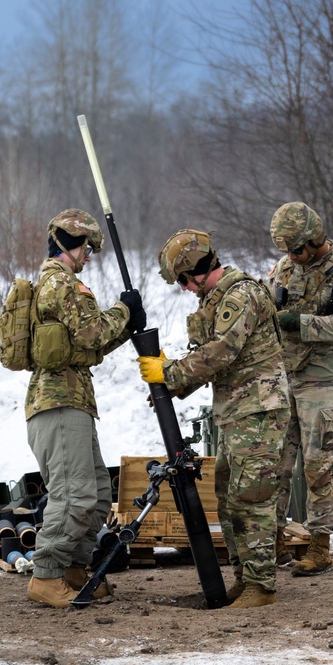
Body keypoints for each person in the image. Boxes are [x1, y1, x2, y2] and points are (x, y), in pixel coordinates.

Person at [137, 229, 289, 609]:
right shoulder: (221, 298)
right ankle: (246, 578)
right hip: (239, 413)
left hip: (258, 412)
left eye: (184, 281)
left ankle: (261, 586)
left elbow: (221, 353)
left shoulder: (240, 296)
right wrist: (172, 377)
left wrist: (169, 375)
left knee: (250, 500)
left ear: (195, 272)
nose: (185, 289)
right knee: (229, 497)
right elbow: (212, 354)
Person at [25, 208, 146, 609]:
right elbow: (93, 330)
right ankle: (46, 576)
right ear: (70, 245)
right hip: (58, 404)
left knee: (94, 494)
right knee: (74, 495)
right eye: (88, 249)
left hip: (72, 402)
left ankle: (75, 570)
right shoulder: (61, 284)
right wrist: (124, 310)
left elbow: (88, 347)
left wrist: (125, 325)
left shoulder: (61, 284)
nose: (90, 257)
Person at [269, 201, 333, 576]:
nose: (292, 257)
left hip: (324, 377)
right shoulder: (283, 268)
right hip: (287, 375)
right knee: (276, 462)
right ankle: (274, 541)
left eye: (297, 249)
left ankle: (319, 546)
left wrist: (304, 323)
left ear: (314, 239)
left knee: (319, 464)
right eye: (286, 250)